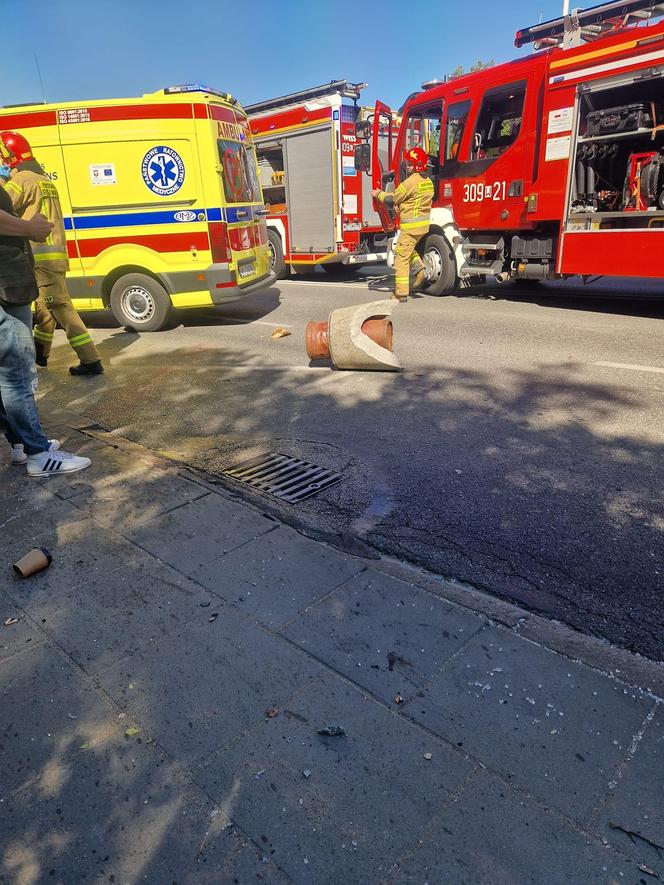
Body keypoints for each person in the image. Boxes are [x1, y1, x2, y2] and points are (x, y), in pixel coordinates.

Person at [0, 175, 92, 476]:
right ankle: (38, 454)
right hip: (5, 288)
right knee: (16, 373)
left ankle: (20, 445)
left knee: (6, 372)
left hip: (9, 285)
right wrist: (29, 228)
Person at [0, 130, 104, 376]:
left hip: (39, 255)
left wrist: (3, 183)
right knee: (45, 307)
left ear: (8, 158)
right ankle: (41, 353)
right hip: (56, 254)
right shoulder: (43, 179)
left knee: (60, 306)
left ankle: (91, 360)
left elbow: (4, 205)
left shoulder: (21, 180)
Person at [373, 146, 435, 302]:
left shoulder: (410, 183)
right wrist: (402, 205)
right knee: (407, 248)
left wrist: (377, 193)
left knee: (401, 256)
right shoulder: (427, 182)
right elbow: (416, 201)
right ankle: (419, 269)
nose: (407, 166)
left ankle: (400, 293)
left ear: (415, 165)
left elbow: (391, 198)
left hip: (410, 227)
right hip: (422, 226)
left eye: (409, 163)